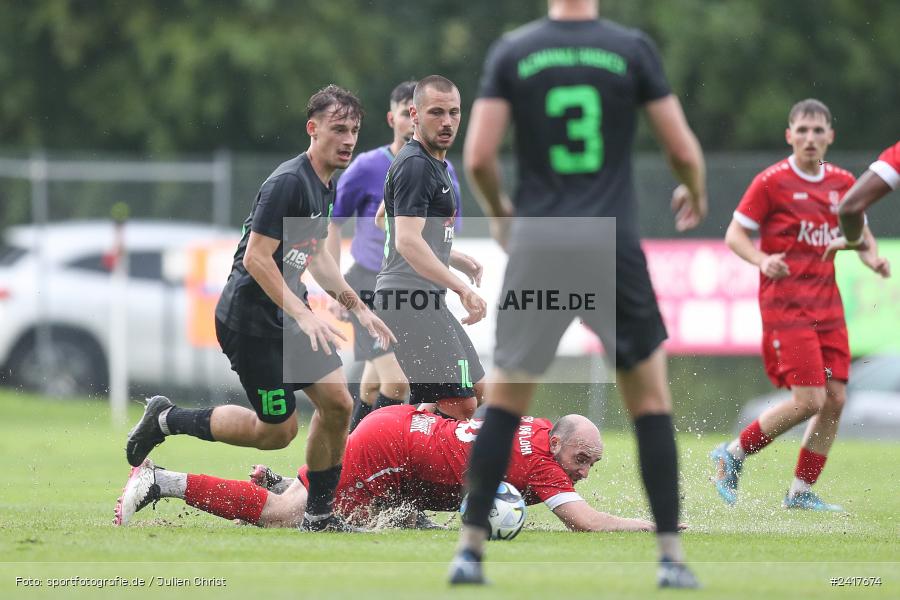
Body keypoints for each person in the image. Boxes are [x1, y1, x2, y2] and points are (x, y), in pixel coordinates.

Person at [450, 0, 708, 588]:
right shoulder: (630, 48)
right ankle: (670, 559)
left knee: (508, 399)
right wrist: (694, 188)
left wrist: (500, 216)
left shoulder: (514, 49)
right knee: (649, 401)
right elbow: (683, 150)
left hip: (540, 244)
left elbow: (481, 156)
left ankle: (468, 554)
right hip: (608, 247)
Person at [124, 85, 396, 532]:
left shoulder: (326, 183)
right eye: (338, 129)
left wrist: (357, 307)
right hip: (251, 324)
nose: (348, 139)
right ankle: (166, 418)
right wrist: (304, 314)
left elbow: (318, 256)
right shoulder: (288, 181)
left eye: (354, 130)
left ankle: (320, 516)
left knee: (338, 404)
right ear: (313, 129)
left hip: (289, 317)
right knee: (277, 432)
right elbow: (256, 258)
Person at [712, 99, 890, 514]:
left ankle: (799, 491)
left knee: (836, 400)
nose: (810, 138)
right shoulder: (771, 181)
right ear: (789, 135)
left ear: (831, 136)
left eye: (818, 131)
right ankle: (733, 453)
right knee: (809, 399)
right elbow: (735, 234)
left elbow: (862, 234)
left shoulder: (844, 181)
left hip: (827, 306)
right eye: (802, 130)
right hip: (786, 307)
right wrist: (760, 259)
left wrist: (872, 258)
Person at [116, 404, 670, 535]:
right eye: (582, 460)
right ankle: (162, 481)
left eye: (592, 465)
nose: (583, 474)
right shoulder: (542, 462)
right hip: (391, 451)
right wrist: (653, 525)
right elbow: (585, 521)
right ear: (561, 446)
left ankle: (295, 483)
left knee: (401, 520)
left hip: (399, 432)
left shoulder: (540, 428)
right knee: (290, 519)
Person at [324, 80, 463, 431]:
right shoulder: (369, 166)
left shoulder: (440, 168)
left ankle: (342, 463)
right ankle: (370, 460)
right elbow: (333, 223)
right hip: (370, 286)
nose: (409, 123)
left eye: (450, 113)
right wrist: (338, 287)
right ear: (397, 118)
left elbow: (434, 235)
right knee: (398, 382)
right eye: (405, 115)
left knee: (374, 385)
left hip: (408, 288)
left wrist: (454, 258)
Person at [374, 75, 487, 421]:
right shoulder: (416, 165)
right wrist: (462, 288)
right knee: (460, 404)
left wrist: (448, 254)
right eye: (437, 112)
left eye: (454, 112)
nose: (448, 121)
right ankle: (379, 461)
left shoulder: (433, 163)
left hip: (422, 298)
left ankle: (390, 458)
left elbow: (385, 218)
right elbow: (406, 239)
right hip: (407, 299)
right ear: (415, 114)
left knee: (475, 391)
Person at [822, 140, 900, 258]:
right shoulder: (783, 177)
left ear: (830, 135)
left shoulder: (842, 178)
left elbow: (849, 209)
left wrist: (853, 241)